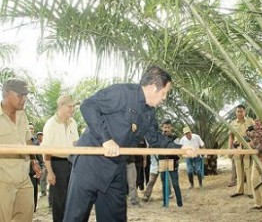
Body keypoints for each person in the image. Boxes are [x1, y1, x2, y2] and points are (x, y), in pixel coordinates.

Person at [63, 66, 195, 222]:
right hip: (90, 164)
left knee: (115, 218)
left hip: (116, 168)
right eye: (164, 93)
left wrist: (180, 149)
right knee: (75, 217)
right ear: (153, 88)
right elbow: (88, 105)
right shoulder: (123, 93)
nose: (164, 98)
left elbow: (155, 139)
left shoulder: (149, 112)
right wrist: (106, 140)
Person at [0, 78, 41, 222]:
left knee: (26, 215)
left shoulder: (22, 114)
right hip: (3, 180)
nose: (24, 99)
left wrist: (33, 160)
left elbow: (27, 139)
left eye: (26, 95)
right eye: (20, 95)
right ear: (5, 94)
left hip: (23, 178)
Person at [42, 94, 80, 222]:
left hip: (72, 163)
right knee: (59, 201)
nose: (72, 109)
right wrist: (50, 172)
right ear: (61, 106)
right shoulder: (50, 124)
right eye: (70, 106)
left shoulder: (73, 122)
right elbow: (45, 150)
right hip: (57, 164)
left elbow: (76, 144)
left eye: (74, 106)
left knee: (72, 199)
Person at [228, 104, 255, 198]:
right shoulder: (232, 123)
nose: (239, 113)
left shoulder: (250, 121)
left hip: (247, 147)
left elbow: (255, 134)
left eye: (241, 111)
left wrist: (253, 144)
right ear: (235, 112)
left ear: (245, 112)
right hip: (236, 148)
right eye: (238, 111)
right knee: (238, 169)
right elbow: (231, 137)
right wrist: (229, 149)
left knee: (248, 168)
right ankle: (239, 190)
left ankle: (250, 192)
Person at [159, 119, 182, 207]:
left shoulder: (175, 138)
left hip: (173, 161)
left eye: (168, 127)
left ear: (171, 127)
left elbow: (178, 150)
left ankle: (179, 203)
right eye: (165, 127)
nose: (167, 129)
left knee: (175, 183)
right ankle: (165, 203)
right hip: (162, 161)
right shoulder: (159, 138)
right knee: (164, 183)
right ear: (162, 128)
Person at [28, 123, 45, 212]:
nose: (30, 130)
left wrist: (42, 166)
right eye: (29, 128)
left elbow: (39, 156)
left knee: (34, 189)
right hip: (23, 171)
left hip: (33, 172)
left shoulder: (36, 141)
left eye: (32, 128)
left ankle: (33, 208)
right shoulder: (22, 139)